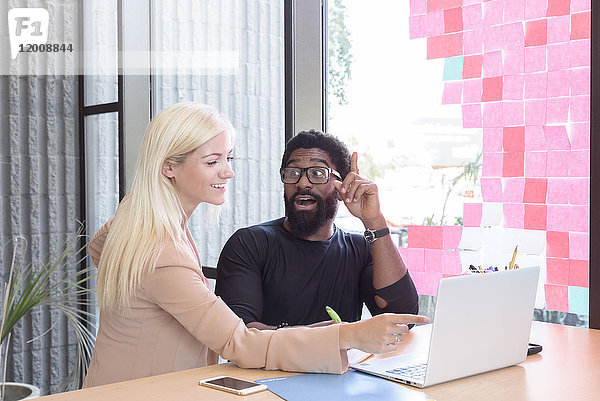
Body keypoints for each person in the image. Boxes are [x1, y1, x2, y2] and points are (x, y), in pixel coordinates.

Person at [83, 103, 428, 388]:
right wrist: (347, 335)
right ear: (169, 167)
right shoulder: (163, 247)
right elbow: (239, 342)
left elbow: (100, 249)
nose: (228, 172)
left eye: (228, 158)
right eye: (212, 161)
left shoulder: (151, 227)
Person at [215, 130, 419, 330]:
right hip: (264, 366)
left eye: (318, 173)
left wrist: (374, 221)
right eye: (293, 173)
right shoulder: (250, 243)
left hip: (344, 365)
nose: (302, 183)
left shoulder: (360, 249)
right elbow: (237, 333)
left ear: (342, 187)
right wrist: (325, 340)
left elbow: (403, 320)